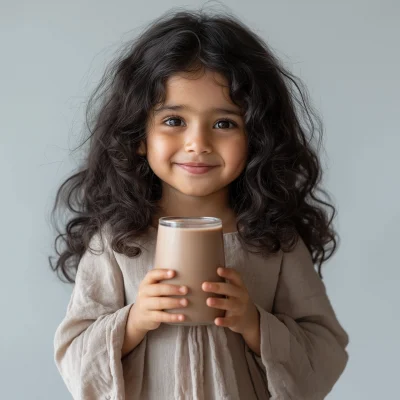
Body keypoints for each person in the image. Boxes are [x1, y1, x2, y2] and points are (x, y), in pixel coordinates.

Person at [51, 7, 349, 400]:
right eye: (174, 120)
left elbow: (324, 346)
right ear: (139, 135)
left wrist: (254, 323)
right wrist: (134, 321)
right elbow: (74, 352)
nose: (198, 143)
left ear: (256, 137)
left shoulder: (273, 240)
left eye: (224, 123)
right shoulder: (118, 241)